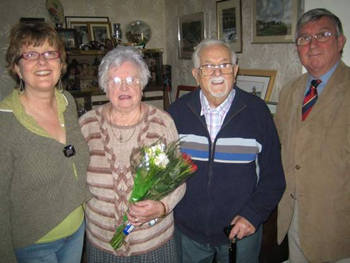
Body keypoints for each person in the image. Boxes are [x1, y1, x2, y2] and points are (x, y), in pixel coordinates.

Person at [168, 39, 286, 263]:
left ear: (236, 70)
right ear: (195, 73)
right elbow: (165, 169)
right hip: (188, 232)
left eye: (224, 65)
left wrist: (253, 216)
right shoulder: (177, 113)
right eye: (208, 66)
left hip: (240, 232)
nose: (217, 73)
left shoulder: (257, 113)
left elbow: (273, 177)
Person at [79, 46, 186, 262]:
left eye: (131, 79)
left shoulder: (161, 123)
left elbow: (177, 180)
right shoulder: (86, 125)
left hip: (153, 243)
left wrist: (162, 206)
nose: (124, 87)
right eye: (115, 81)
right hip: (101, 243)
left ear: (142, 84)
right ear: (105, 87)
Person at [0, 22, 90, 262]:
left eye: (50, 53)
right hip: (34, 243)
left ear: (61, 64)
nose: (42, 61)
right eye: (30, 54)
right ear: (17, 67)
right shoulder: (5, 121)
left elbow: (73, 161)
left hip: (76, 230)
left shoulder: (68, 103)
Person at [275, 8, 350, 263]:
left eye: (323, 34)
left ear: (341, 42)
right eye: (304, 38)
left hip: (338, 228)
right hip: (294, 219)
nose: (312, 44)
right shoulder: (289, 91)